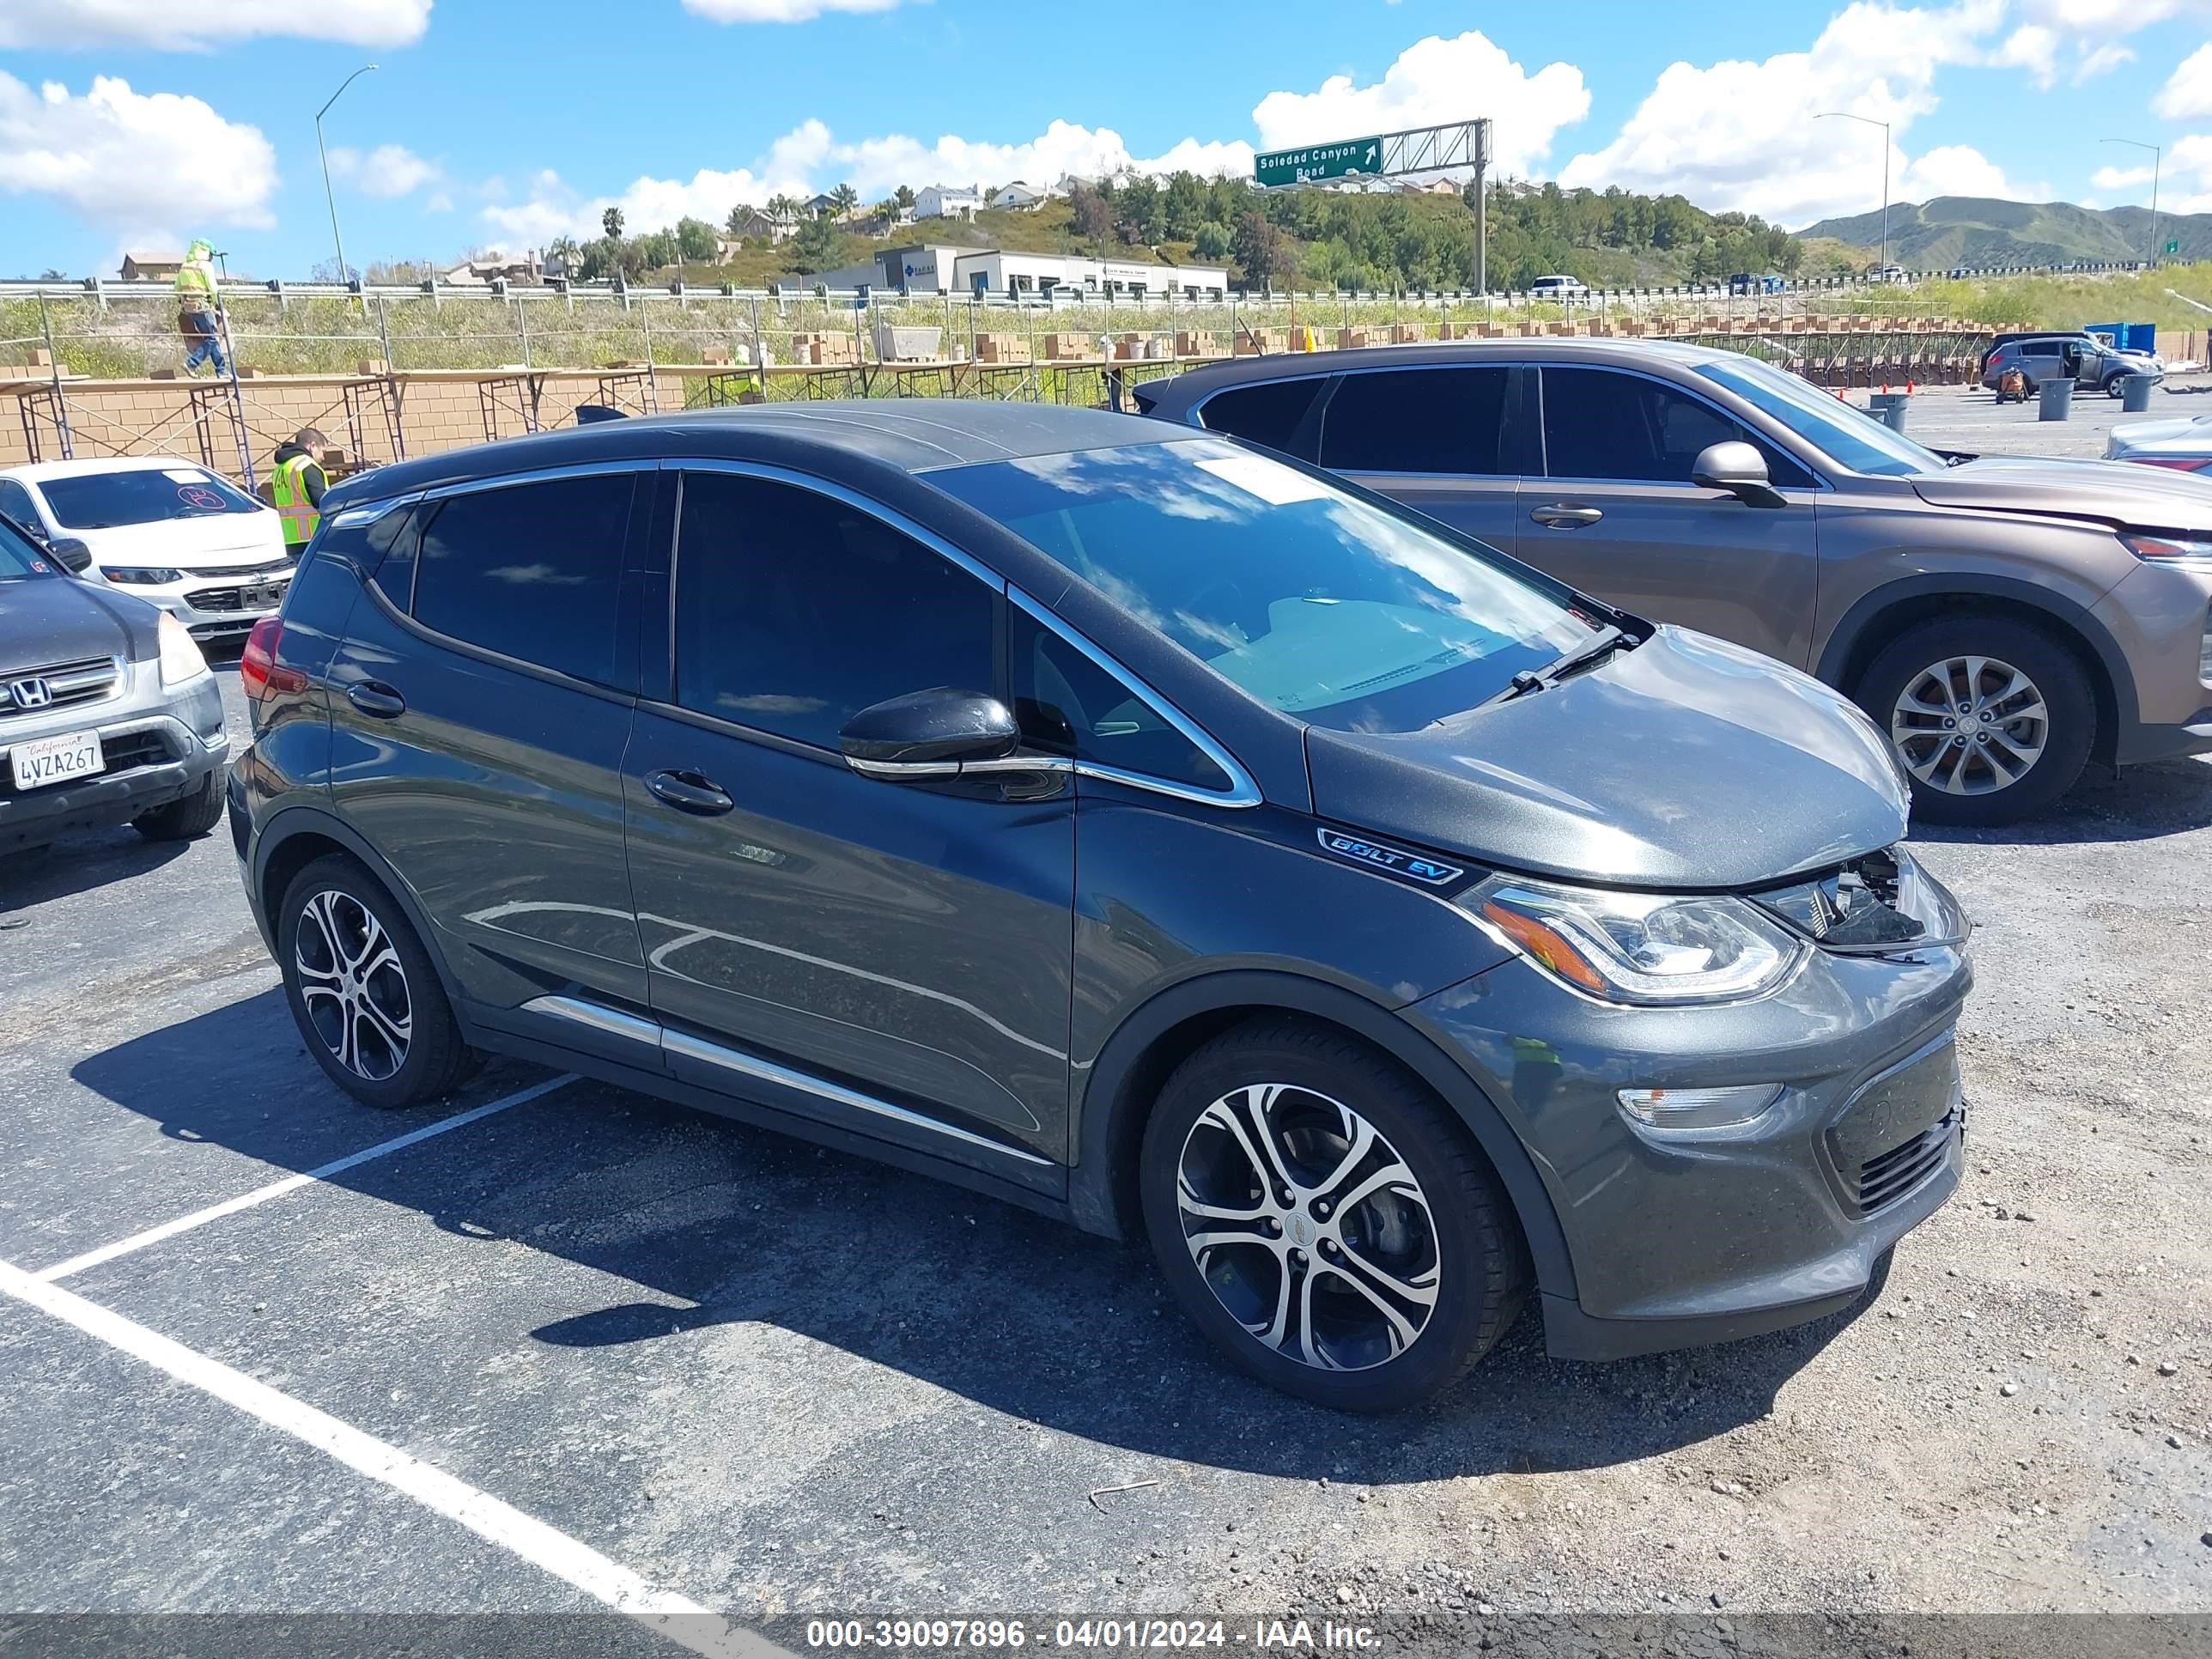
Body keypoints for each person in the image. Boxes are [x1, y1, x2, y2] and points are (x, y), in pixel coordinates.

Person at [268, 428, 331, 555]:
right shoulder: (307, 466)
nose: (323, 457)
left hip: (290, 540)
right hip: (313, 537)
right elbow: (322, 501)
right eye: (323, 451)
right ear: (312, 446)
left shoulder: (280, 469)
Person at [176, 240, 228, 377]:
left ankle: (221, 371)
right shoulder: (205, 266)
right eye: (211, 254)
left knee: (211, 338)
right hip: (203, 307)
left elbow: (176, 288)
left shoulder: (185, 267)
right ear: (205, 252)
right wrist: (218, 304)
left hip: (189, 308)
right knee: (213, 338)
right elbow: (213, 288)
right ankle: (191, 363)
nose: (211, 258)